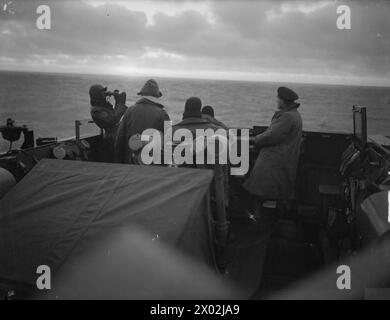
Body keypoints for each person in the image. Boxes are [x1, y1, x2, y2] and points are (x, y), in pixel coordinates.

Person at [243, 86, 303, 235]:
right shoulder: (291, 115)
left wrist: (252, 140)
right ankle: (266, 227)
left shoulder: (287, 117)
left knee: (265, 194)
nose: (277, 101)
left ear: (283, 101)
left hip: (275, 163)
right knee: (267, 195)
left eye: (278, 99)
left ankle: (263, 229)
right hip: (279, 160)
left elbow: (271, 136)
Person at [115, 79, 170, 164]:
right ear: (156, 96)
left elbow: (120, 138)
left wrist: (119, 162)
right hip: (152, 165)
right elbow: (168, 142)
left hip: (130, 163)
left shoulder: (130, 110)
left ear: (142, 95)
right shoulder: (163, 114)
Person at [89, 84, 127, 162]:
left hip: (116, 136)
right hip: (110, 140)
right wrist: (121, 103)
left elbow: (115, 115)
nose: (105, 93)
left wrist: (117, 100)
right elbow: (113, 119)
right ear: (97, 95)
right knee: (116, 160)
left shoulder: (103, 106)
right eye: (102, 92)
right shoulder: (96, 111)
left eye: (105, 91)